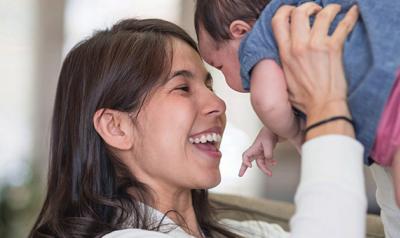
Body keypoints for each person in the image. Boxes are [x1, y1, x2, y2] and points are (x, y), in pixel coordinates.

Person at [29, 5, 365, 238]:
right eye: (182, 87)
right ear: (117, 127)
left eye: (208, 84)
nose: (217, 103)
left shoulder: (248, 231)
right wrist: (326, 106)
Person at [194, 0, 400, 207]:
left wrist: (296, 133)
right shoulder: (304, 12)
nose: (228, 83)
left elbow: (269, 104)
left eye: (219, 66)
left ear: (240, 31)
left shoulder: (262, 36)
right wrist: (272, 130)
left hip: (386, 108)